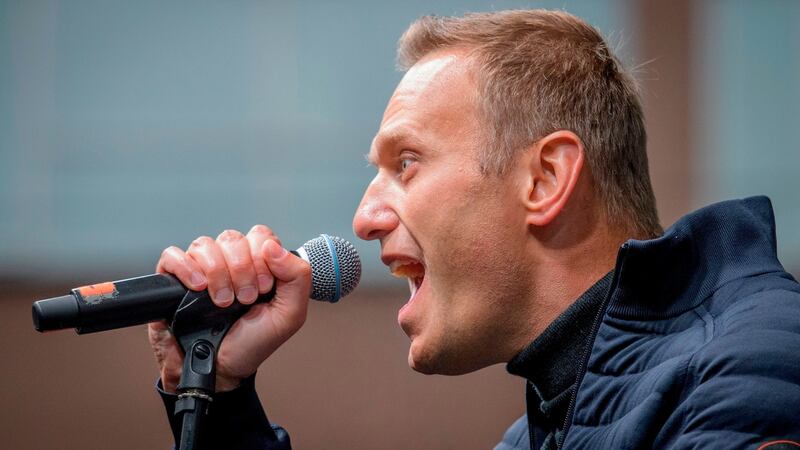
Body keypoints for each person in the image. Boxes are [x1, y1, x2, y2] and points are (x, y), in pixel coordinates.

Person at [149, 9, 800, 450]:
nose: (364, 218)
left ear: (545, 180)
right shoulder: (547, 429)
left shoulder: (746, 376)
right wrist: (221, 397)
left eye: (406, 163)